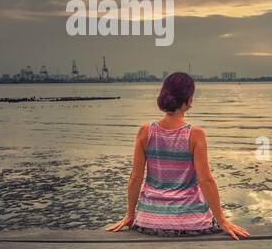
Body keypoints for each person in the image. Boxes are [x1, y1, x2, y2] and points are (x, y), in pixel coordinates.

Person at [106, 72, 248, 240]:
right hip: (190, 221)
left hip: (149, 221)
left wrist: (130, 215)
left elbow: (135, 177)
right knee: (208, 242)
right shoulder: (195, 134)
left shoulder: (145, 131)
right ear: (188, 101)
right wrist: (222, 220)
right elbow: (205, 180)